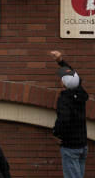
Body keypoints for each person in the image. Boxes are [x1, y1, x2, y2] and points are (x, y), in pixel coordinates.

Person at [49, 50, 89, 178]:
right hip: (82, 145)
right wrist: (60, 61)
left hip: (70, 146)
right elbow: (75, 77)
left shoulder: (64, 99)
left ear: (64, 83)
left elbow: (63, 119)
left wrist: (56, 132)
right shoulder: (81, 93)